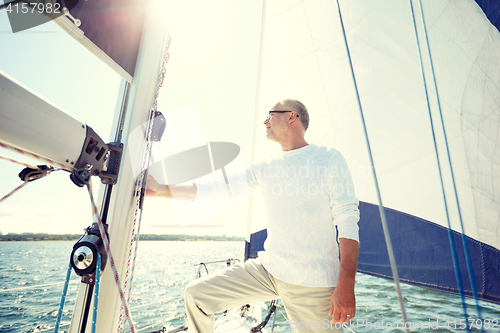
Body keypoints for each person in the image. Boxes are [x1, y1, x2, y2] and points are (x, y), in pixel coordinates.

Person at [146, 99, 360, 333]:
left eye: (270, 114)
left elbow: (347, 220)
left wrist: (346, 284)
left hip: (312, 283)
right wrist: (163, 190)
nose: (265, 121)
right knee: (196, 296)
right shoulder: (264, 167)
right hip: (269, 271)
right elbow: (219, 188)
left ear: (291, 117)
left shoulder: (328, 158)